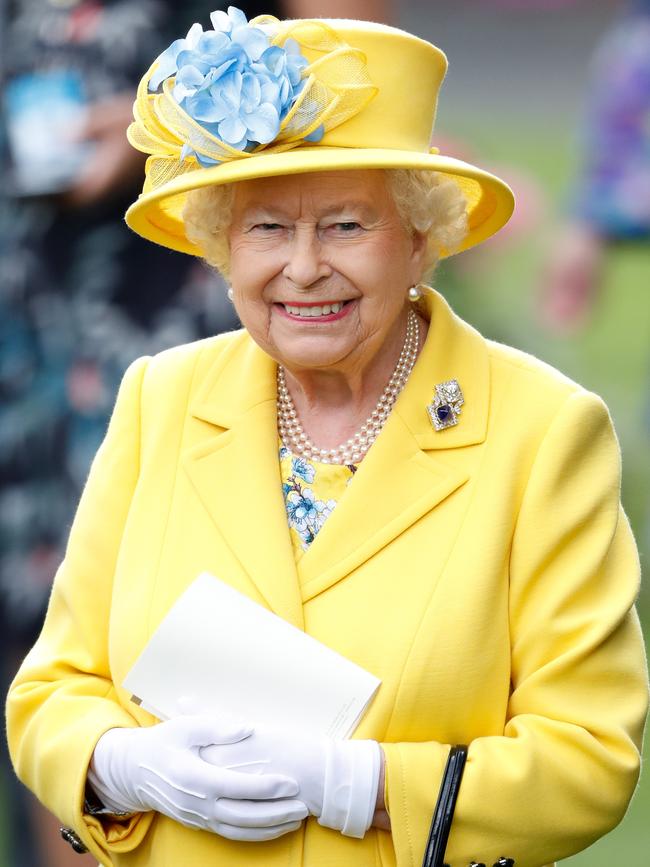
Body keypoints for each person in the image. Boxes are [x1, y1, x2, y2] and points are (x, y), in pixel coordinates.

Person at [6, 8, 648, 867]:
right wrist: (121, 765)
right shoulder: (160, 396)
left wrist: (363, 785)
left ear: (422, 240)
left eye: (346, 224)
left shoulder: (543, 430)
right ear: (221, 248)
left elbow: (587, 760)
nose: (303, 267)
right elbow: (51, 690)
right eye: (267, 227)